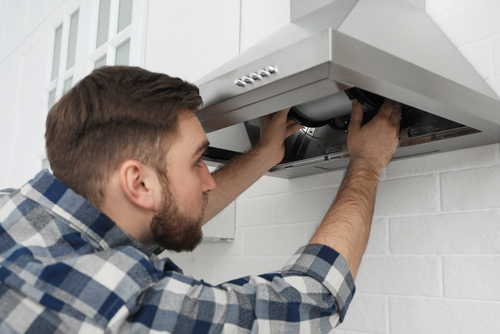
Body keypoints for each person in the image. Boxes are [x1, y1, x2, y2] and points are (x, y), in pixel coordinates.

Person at [0, 66, 401, 333]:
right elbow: (314, 301)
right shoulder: (116, 299)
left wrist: (263, 156)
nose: (207, 181)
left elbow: (165, 214)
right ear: (138, 183)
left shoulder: (19, 214)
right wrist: (366, 162)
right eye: (197, 163)